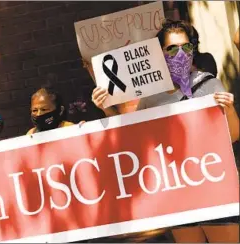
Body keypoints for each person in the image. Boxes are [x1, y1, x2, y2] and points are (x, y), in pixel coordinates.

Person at [91, 19, 239, 243]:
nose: (180, 54)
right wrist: (105, 108)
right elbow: (133, 139)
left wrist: (227, 109)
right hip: (178, 192)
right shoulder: (151, 97)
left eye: (186, 47)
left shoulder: (210, 85)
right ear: (160, 53)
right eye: (172, 48)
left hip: (215, 186)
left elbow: (234, 135)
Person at [0, 87, 76, 148]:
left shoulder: (69, 128)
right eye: (34, 110)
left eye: (44, 109)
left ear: (60, 110)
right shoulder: (31, 133)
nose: (39, 114)